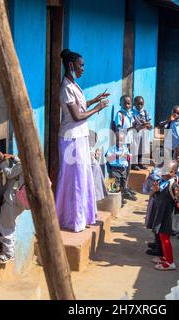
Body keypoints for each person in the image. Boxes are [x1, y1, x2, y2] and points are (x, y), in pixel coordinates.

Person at [56, 49, 110, 233]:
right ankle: (71, 220)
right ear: (71, 66)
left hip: (79, 137)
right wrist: (99, 108)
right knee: (74, 181)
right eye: (81, 65)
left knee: (82, 178)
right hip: (71, 138)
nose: (83, 69)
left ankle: (82, 217)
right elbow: (77, 116)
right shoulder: (66, 88)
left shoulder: (74, 85)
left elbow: (81, 107)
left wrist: (96, 100)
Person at [146, 160, 179, 271]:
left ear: (174, 173)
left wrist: (178, 195)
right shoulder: (161, 181)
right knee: (161, 236)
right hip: (161, 213)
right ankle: (165, 257)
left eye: (169, 171)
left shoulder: (173, 184)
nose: (165, 173)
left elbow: (178, 200)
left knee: (165, 238)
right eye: (164, 170)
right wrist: (155, 190)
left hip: (167, 216)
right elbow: (151, 194)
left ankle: (170, 262)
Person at [0, 151, 25, 264]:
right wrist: (13, 157)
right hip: (21, 202)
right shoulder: (31, 164)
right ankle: (9, 251)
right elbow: (20, 166)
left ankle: (8, 254)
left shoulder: (23, 165)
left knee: (5, 225)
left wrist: (2, 161)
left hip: (12, 200)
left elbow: (9, 173)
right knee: (10, 224)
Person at [115, 95, 138, 200]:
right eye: (125, 103)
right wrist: (130, 128)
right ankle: (123, 191)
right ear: (120, 104)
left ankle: (126, 187)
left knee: (128, 167)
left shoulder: (131, 114)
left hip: (130, 143)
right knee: (123, 168)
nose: (127, 105)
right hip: (123, 144)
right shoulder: (119, 115)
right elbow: (118, 129)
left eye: (129, 103)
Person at [105, 131, 131, 207]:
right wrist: (116, 156)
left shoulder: (125, 148)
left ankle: (121, 199)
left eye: (122, 140)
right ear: (115, 140)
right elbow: (108, 158)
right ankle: (114, 201)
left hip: (123, 169)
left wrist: (127, 156)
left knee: (123, 184)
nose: (120, 142)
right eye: (118, 140)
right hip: (115, 169)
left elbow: (128, 158)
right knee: (115, 185)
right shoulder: (112, 149)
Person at [132, 96, 152, 171]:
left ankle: (140, 162)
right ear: (134, 104)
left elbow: (149, 125)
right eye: (138, 104)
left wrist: (147, 124)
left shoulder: (146, 112)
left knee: (142, 148)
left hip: (144, 133)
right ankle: (134, 164)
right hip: (135, 133)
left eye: (141, 104)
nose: (139, 106)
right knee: (135, 148)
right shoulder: (132, 113)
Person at [89, 130, 108, 203]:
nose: (94, 143)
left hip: (95, 176)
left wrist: (96, 156)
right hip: (92, 177)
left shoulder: (91, 149)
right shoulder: (87, 150)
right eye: (94, 141)